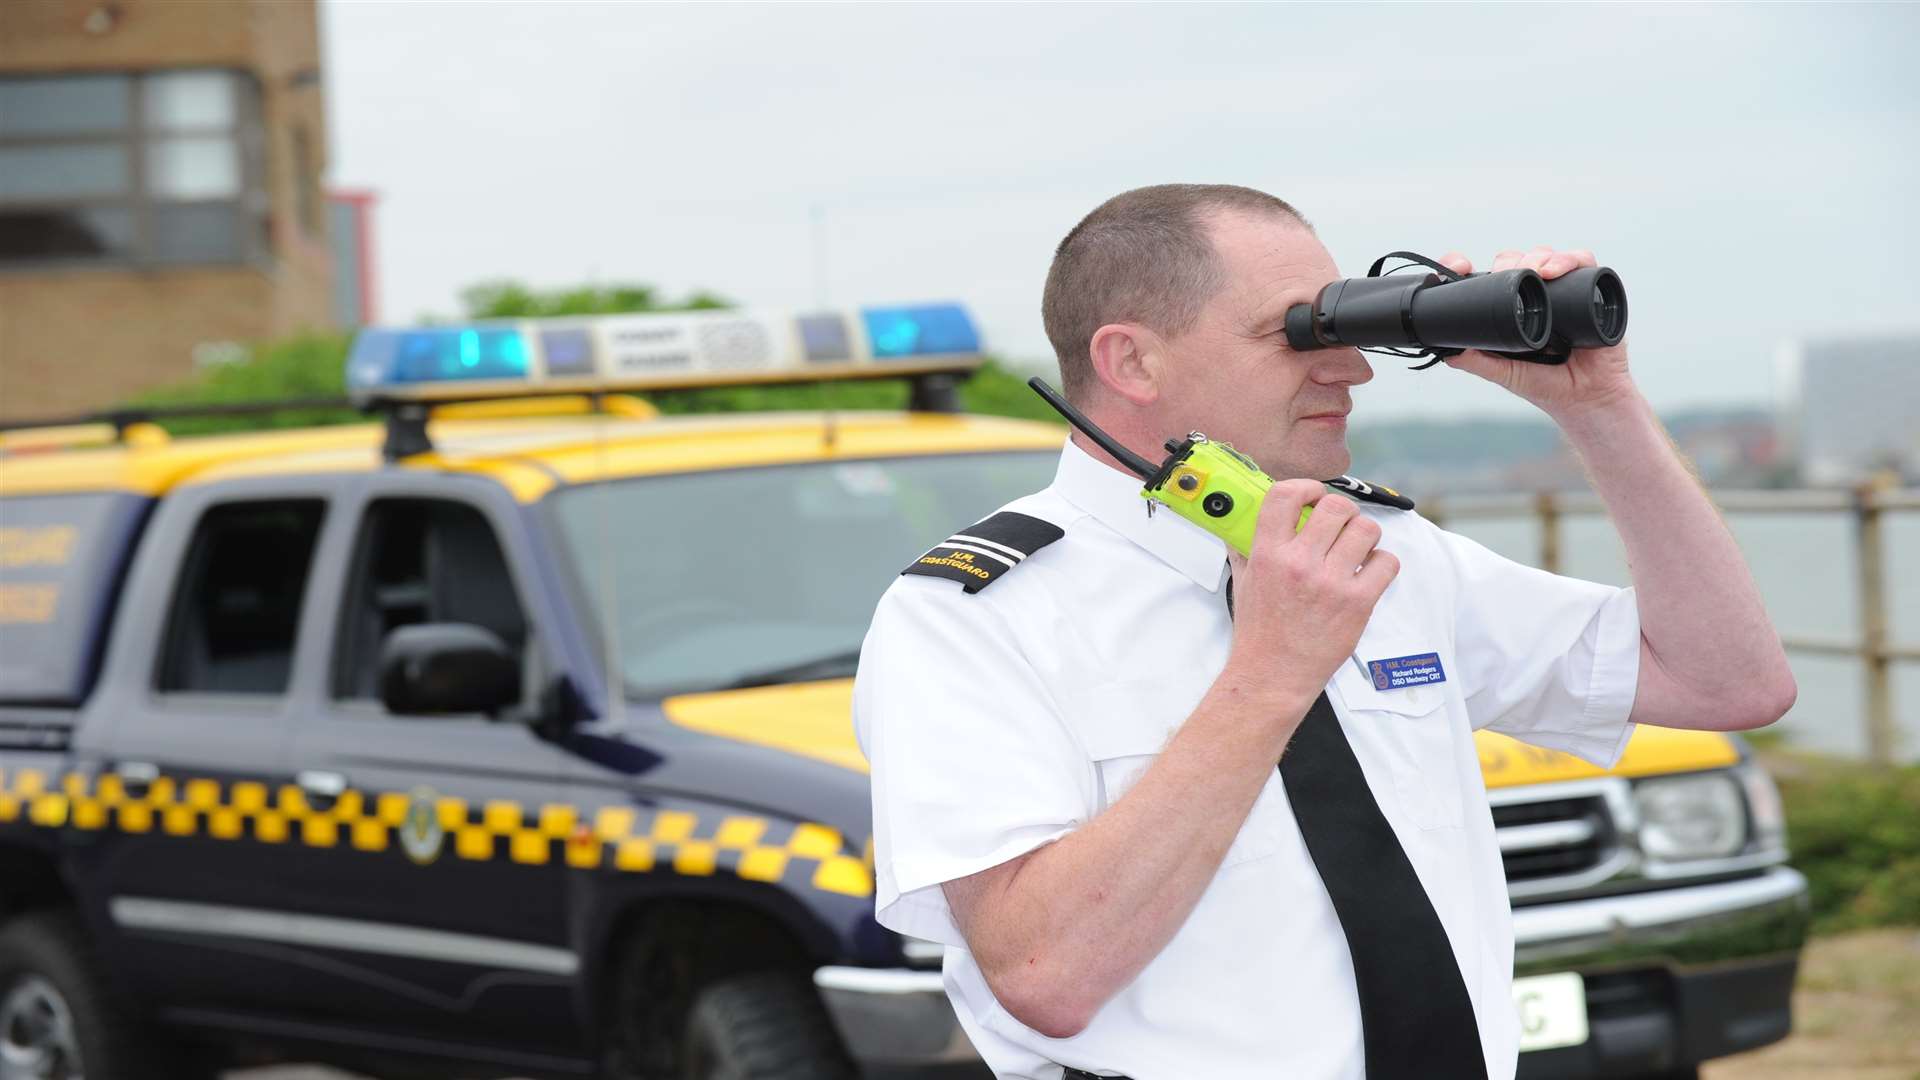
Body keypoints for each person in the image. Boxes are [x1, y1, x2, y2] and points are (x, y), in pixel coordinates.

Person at [851, 184, 1795, 1080]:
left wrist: (1599, 409)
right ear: (1130, 361)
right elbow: (1044, 977)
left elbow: (1727, 685)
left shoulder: (1386, 550)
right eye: (1296, 332)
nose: (1351, 365)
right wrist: (1271, 673)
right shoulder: (971, 617)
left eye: (1345, 323)